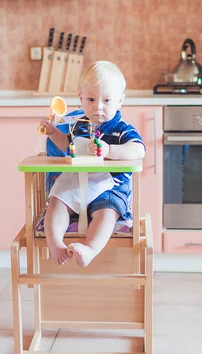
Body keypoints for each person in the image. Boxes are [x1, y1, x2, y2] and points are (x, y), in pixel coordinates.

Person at [38, 60, 145, 268]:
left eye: (106, 100)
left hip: (109, 188)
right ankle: (55, 244)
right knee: (56, 204)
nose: (98, 106)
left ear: (120, 102)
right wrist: (53, 132)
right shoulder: (77, 125)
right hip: (77, 181)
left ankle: (90, 249)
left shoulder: (122, 128)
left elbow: (139, 149)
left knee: (107, 213)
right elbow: (67, 144)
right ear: (81, 99)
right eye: (91, 99)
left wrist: (110, 150)